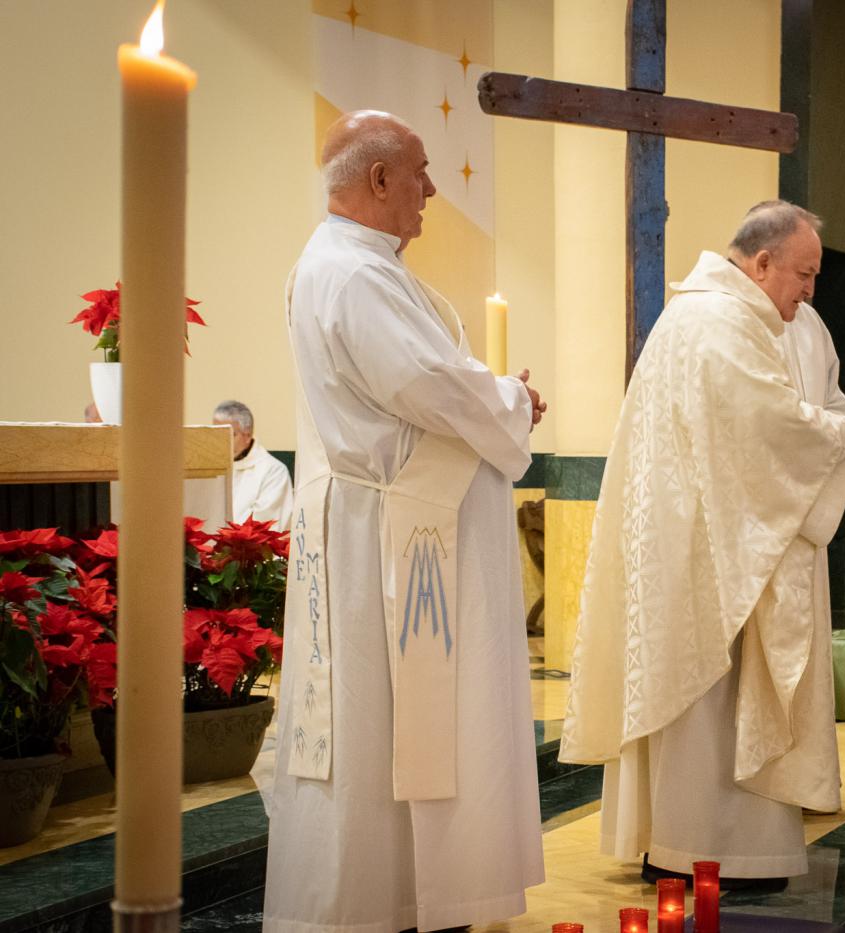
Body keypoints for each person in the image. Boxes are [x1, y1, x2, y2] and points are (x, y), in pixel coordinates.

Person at [560, 200, 845, 888]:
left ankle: (685, 845)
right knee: (710, 703)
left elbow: (782, 419)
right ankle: (715, 852)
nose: (811, 289)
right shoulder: (717, 321)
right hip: (712, 555)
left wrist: (839, 432)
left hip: (717, 538)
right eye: (804, 273)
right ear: (763, 261)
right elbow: (765, 425)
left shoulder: (722, 316)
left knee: (706, 703)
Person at [262, 110, 547, 933]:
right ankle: (379, 902)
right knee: (382, 727)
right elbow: (425, 382)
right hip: (386, 538)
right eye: (420, 172)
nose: (430, 190)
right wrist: (510, 399)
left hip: (388, 525)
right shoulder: (352, 273)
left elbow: (423, 383)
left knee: (387, 727)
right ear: (380, 178)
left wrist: (495, 398)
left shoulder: (358, 265)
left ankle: (405, 891)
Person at [211, 400, 294, 529]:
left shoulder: (273, 471)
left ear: (247, 436)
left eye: (228, 435)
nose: (219, 442)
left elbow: (263, 528)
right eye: (215, 435)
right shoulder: (208, 468)